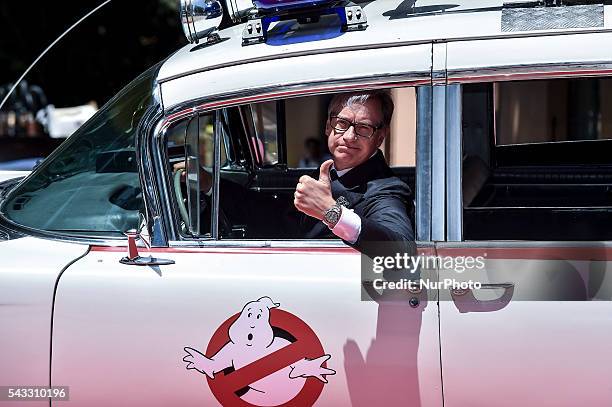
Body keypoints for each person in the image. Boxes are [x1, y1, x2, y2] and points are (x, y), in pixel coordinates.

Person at [293, 90, 415, 255]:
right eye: (342, 123)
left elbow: (402, 253)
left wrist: (331, 211)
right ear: (328, 126)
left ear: (380, 137)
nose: (349, 136)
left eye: (364, 128)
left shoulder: (386, 189)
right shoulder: (326, 170)